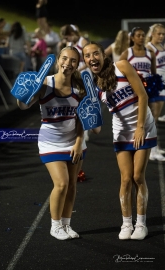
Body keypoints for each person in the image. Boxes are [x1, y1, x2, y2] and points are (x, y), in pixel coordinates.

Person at [82, 41, 157, 240]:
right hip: (121, 132)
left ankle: (141, 224)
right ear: (85, 61)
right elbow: (96, 122)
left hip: (143, 126)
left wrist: (140, 127)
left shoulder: (121, 66)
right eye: (88, 56)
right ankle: (126, 223)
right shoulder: (93, 84)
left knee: (137, 177)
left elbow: (142, 95)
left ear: (103, 54)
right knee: (125, 179)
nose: (92, 58)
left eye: (95, 53)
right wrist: (90, 124)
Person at [17, 46, 87, 240]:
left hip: (74, 141)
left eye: (73, 60)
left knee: (72, 184)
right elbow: (23, 106)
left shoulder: (79, 86)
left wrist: (79, 142)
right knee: (62, 183)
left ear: (77, 64)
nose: (68, 63)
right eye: (64, 58)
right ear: (58, 60)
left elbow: (82, 118)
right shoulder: (45, 83)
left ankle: (66, 225)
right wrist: (24, 92)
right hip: (50, 141)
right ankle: (54, 226)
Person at [119, 27, 164, 161]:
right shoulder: (127, 53)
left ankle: (152, 149)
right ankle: (136, 146)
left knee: (153, 118)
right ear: (132, 38)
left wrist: (153, 87)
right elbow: (119, 71)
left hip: (148, 91)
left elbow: (154, 73)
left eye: (143, 35)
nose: (141, 38)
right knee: (135, 121)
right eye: (138, 35)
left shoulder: (150, 53)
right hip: (132, 92)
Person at [145, 25, 165, 123]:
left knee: (156, 116)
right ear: (153, 34)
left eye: (163, 34)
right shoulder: (149, 47)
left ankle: (151, 136)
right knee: (151, 115)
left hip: (163, 83)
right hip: (154, 83)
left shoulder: (162, 46)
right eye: (159, 34)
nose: (161, 36)